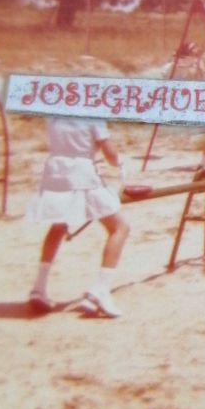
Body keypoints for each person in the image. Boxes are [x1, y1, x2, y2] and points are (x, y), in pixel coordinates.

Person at [26, 117, 130, 318]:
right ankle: (100, 290)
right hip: (81, 174)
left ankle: (39, 287)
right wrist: (119, 163)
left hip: (55, 173)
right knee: (120, 227)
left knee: (58, 226)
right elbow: (110, 153)